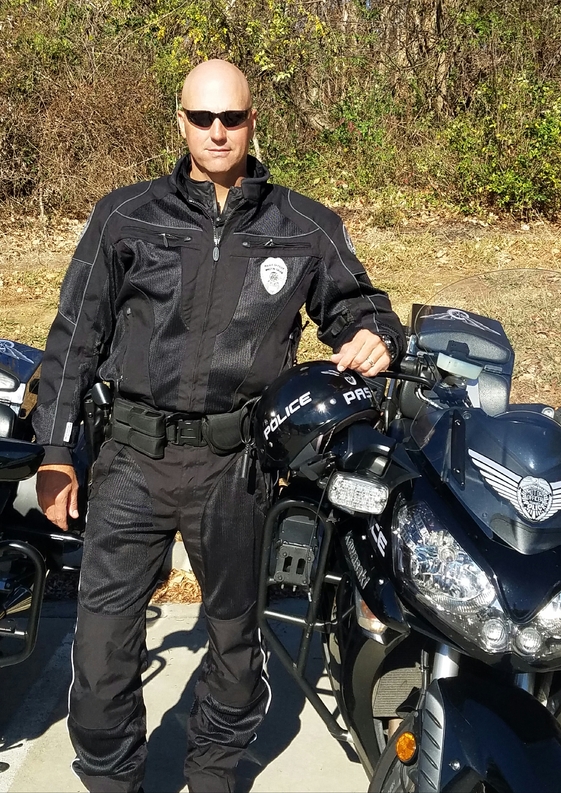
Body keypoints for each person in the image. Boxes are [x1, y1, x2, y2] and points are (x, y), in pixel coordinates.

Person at [33, 59, 405, 793]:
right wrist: (56, 450)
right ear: (180, 121)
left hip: (236, 468)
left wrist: (377, 336)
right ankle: (112, 778)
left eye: (231, 118)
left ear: (251, 122)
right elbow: (75, 334)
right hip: (132, 458)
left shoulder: (303, 225)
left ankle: (211, 770)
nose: (216, 132)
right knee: (101, 650)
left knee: (236, 645)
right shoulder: (125, 215)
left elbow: (361, 307)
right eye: (201, 118)